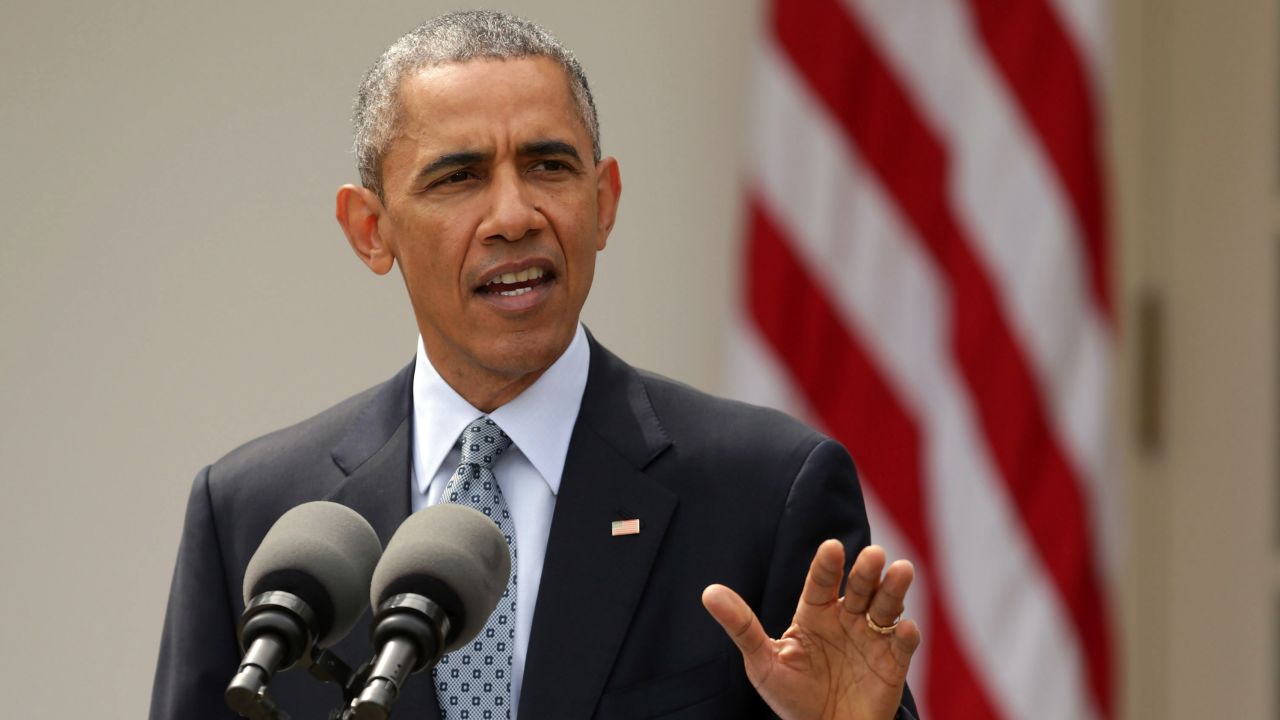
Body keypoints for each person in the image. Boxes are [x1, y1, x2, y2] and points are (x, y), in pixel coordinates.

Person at [150, 10, 921, 720]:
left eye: (549, 166)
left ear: (604, 201)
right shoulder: (252, 515)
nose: (515, 216)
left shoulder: (765, 490)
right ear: (370, 229)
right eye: (459, 177)